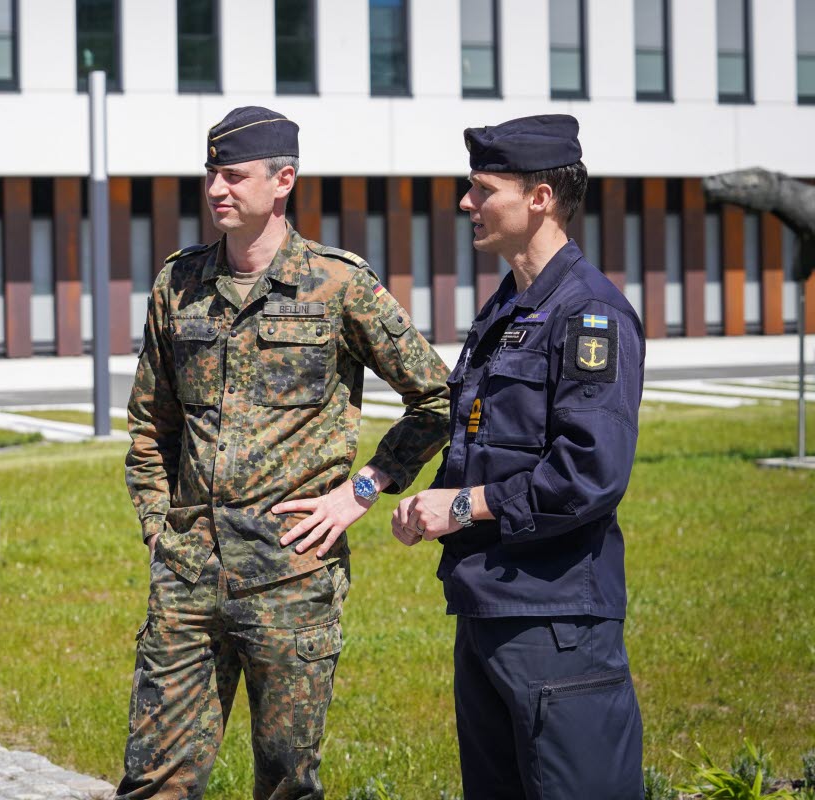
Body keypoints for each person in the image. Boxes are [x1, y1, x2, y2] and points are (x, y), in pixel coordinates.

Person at [118, 106, 451, 799]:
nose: (217, 189)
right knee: (153, 782)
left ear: (283, 180)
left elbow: (436, 398)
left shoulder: (337, 284)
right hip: (187, 577)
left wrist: (362, 491)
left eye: (234, 175)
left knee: (286, 786)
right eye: (211, 173)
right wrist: (158, 527)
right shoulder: (177, 285)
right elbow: (152, 426)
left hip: (292, 579)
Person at [392, 114, 644, 800]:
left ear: (539, 198)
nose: (466, 203)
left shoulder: (588, 314)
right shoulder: (510, 308)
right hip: (489, 609)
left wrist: (465, 506)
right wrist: (433, 499)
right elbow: (483, 436)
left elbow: (590, 474)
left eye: (482, 188)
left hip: (554, 621)